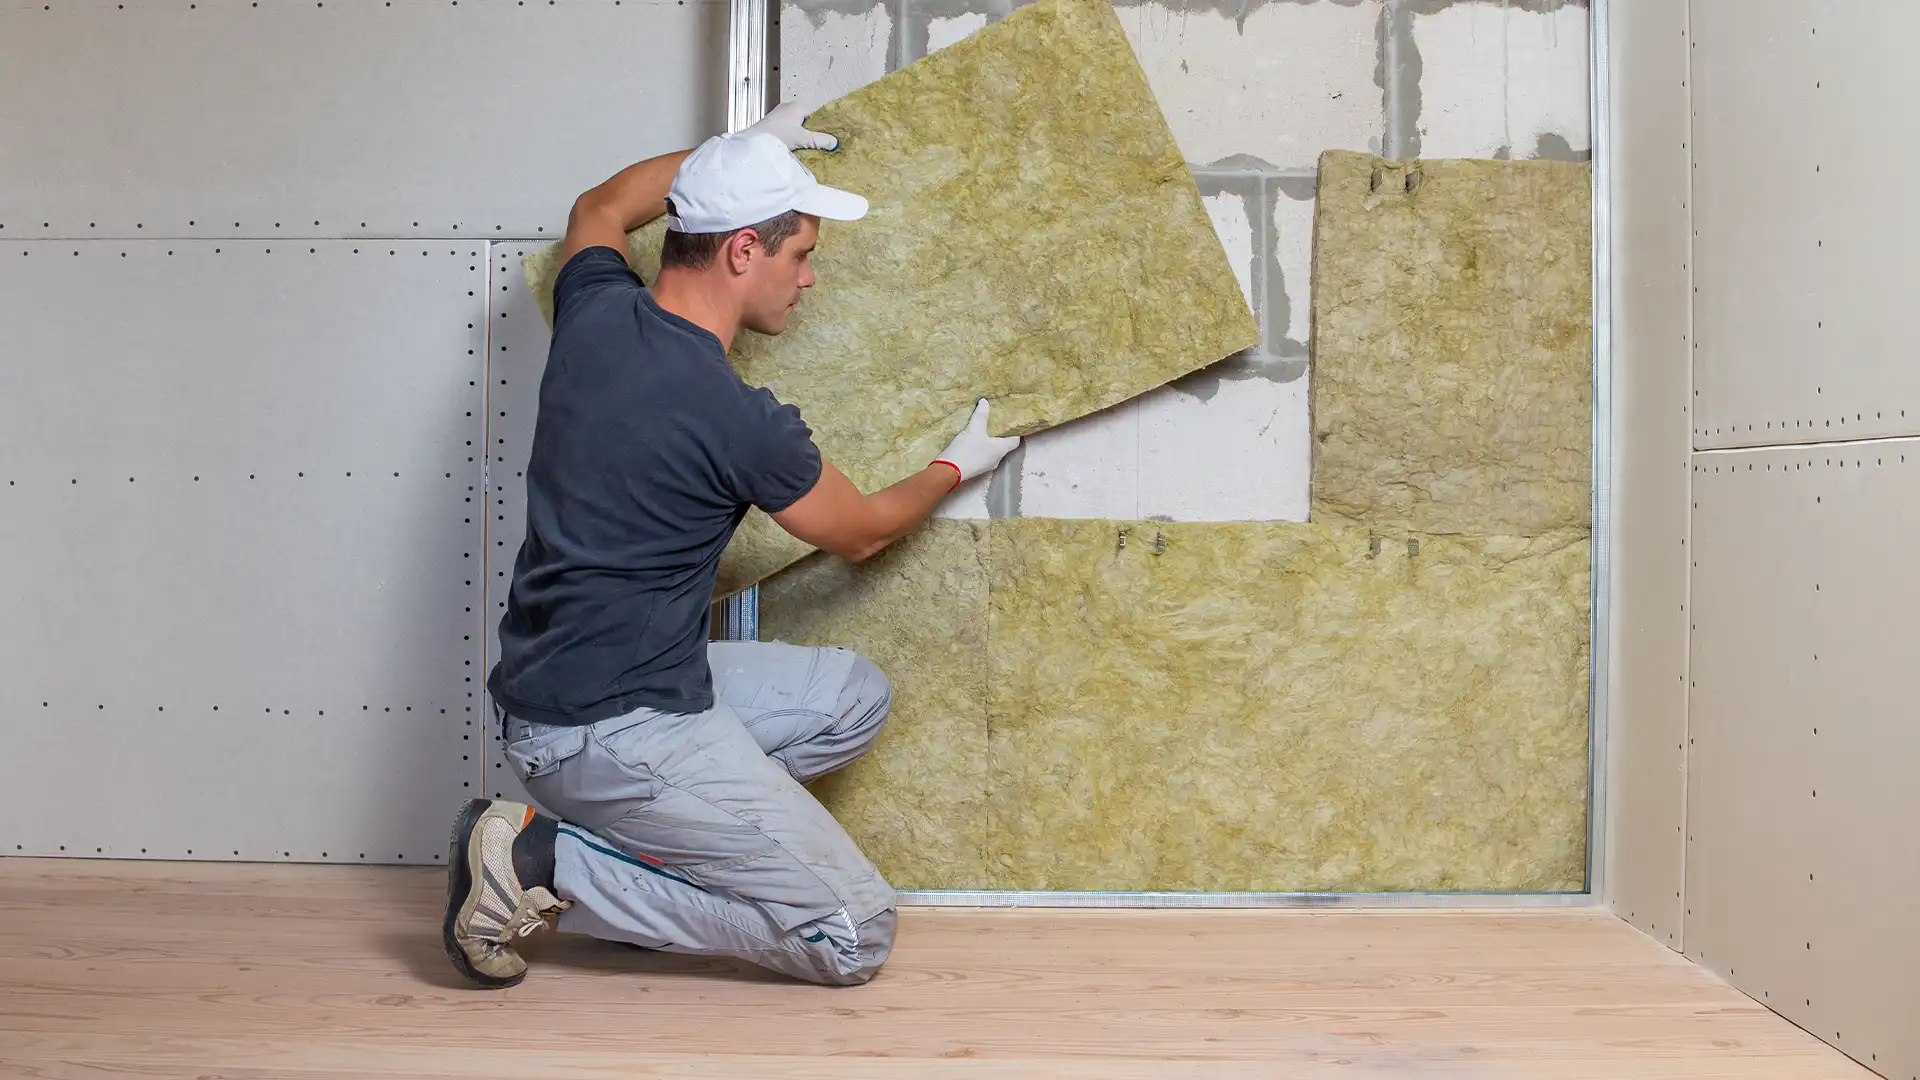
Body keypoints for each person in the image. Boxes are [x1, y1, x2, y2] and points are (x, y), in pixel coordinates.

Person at [440, 104, 1022, 990]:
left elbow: (598, 206)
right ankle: (544, 865)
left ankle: (664, 846)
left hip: (570, 697)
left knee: (851, 698)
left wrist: (734, 153)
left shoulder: (594, 309)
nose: (811, 278)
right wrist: (955, 465)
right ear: (743, 251)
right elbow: (861, 532)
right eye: (801, 254)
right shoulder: (735, 418)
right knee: (852, 932)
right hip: (605, 735)